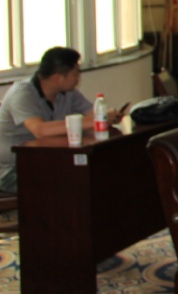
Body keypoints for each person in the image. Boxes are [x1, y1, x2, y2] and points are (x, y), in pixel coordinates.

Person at [0, 48, 120, 192]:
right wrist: (96, 120)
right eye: (75, 74)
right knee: (68, 185)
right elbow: (40, 130)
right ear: (57, 78)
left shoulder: (68, 93)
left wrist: (107, 117)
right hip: (12, 170)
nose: (78, 78)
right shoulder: (22, 93)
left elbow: (92, 114)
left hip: (49, 160)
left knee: (97, 174)